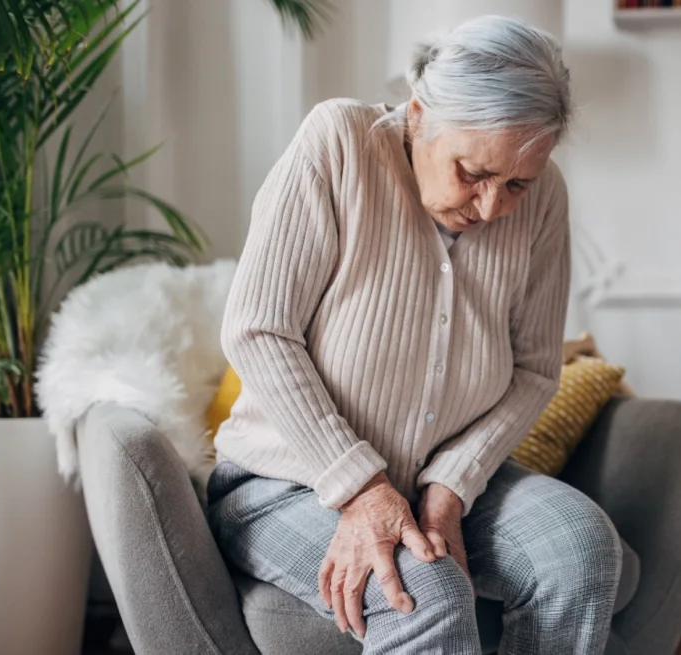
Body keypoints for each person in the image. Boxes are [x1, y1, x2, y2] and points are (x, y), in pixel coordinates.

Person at [205, 14, 623, 654]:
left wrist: (454, 480)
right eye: (473, 172)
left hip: (448, 483)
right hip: (285, 484)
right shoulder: (339, 140)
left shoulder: (546, 200)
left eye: (516, 183)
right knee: (422, 590)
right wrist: (363, 488)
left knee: (581, 545)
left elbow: (536, 369)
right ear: (421, 114)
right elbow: (260, 330)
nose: (491, 208)